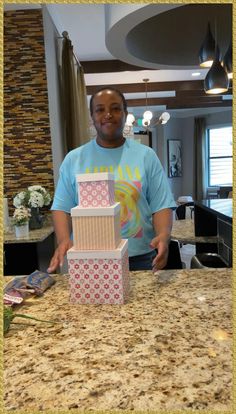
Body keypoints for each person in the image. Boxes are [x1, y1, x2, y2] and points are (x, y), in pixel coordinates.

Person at [47, 87, 176, 273]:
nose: (108, 115)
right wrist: (64, 240)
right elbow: (62, 207)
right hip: (89, 259)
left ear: (125, 113)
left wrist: (164, 235)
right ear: (92, 116)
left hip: (140, 257)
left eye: (115, 108)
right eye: (100, 110)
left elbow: (161, 204)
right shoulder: (74, 159)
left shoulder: (146, 156)